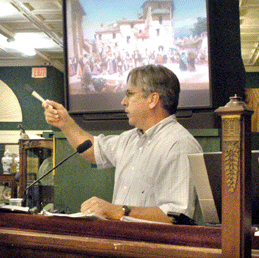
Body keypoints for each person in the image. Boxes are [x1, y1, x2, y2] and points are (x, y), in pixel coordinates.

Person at [43, 64, 202, 223]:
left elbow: (178, 216)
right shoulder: (130, 138)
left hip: (155, 245)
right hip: (122, 241)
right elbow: (92, 150)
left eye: (130, 94)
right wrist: (65, 122)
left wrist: (120, 211)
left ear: (153, 100)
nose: (123, 101)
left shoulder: (179, 144)